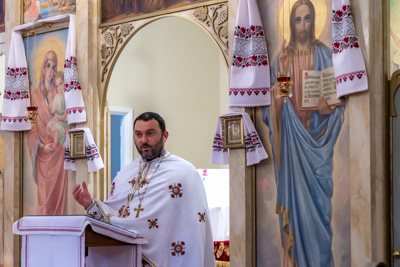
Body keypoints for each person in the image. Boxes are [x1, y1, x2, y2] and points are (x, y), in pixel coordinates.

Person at [261, 0, 345, 266]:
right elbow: (277, 108)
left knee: (319, 213)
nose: (303, 25)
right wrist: (284, 73)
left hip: (317, 144)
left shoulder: (326, 56)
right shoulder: (281, 60)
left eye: (308, 19)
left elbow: (339, 101)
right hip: (291, 146)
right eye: (298, 20)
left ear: (313, 21)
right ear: (291, 23)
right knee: (295, 212)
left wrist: (328, 109)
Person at [73, 112, 215, 267]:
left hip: (164, 257)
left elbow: (194, 226)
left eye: (150, 133)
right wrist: (91, 204)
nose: (143, 140)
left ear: (165, 136)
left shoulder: (185, 173)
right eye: (138, 134)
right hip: (124, 256)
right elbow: (113, 215)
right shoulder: (124, 174)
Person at [26, 51, 68, 215]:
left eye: (54, 67)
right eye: (48, 66)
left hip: (58, 154)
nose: (50, 70)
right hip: (44, 156)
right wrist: (42, 147)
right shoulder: (33, 97)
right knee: (43, 205)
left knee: (59, 202)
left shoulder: (58, 94)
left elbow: (65, 117)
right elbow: (31, 128)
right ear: (43, 68)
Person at [47, 71, 69, 147]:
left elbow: (69, 107)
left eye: (60, 84)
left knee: (63, 131)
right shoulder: (57, 96)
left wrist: (64, 116)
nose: (59, 87)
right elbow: (52, 110)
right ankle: (55, 144)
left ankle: (60, 144)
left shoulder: (67, 95)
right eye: (57, 86)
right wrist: (50, 97)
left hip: (66, 120)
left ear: (64, 83)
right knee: (57, 128)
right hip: (59, 119)